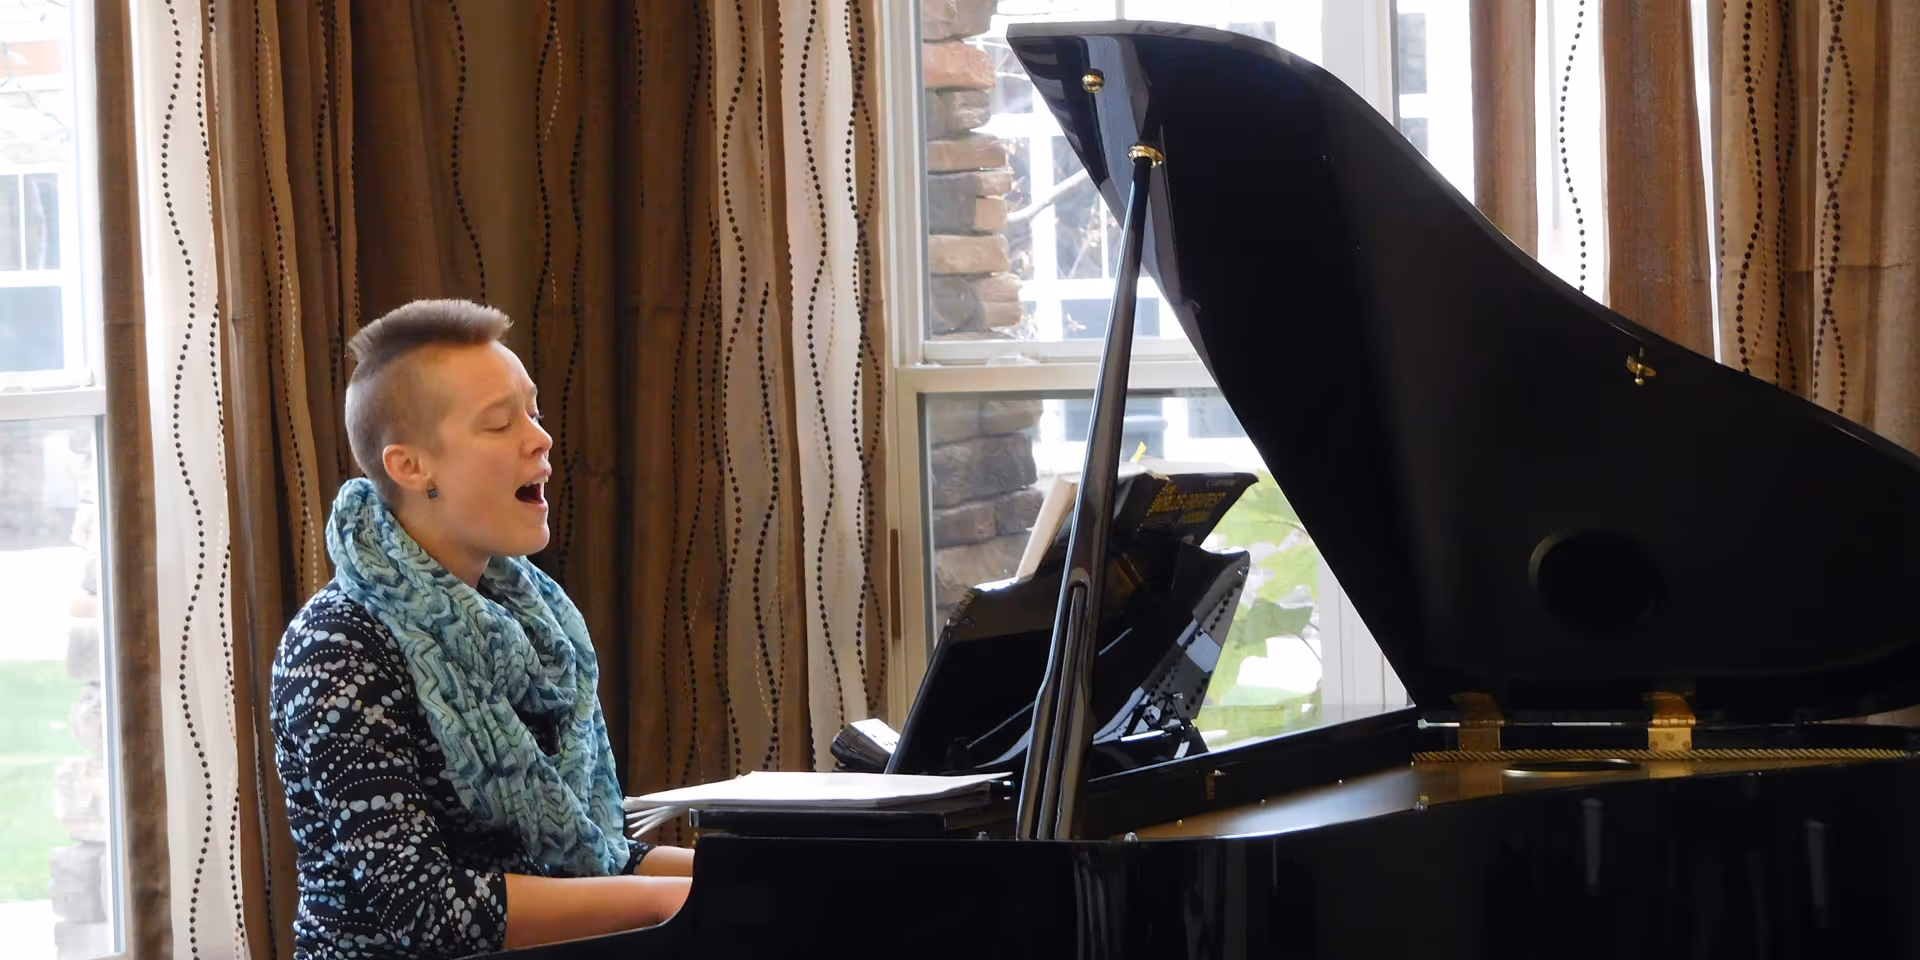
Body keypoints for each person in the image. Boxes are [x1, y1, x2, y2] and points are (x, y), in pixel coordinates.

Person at [271, 299, 693, 959]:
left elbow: (588, 855)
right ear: (411, 467)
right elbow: (428, 907)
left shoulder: (535, 624)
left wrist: (752, 879)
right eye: (501, 423)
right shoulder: (337, 644)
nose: (540, 438)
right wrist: (679, 902)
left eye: (533, 411)